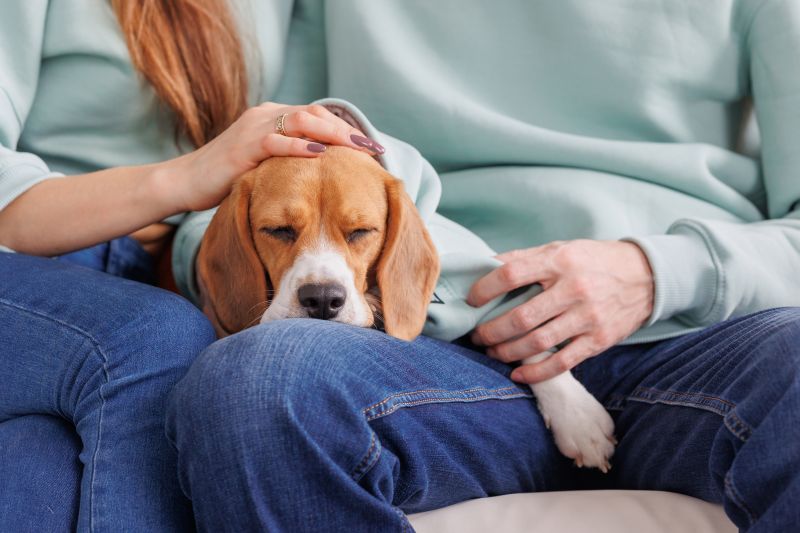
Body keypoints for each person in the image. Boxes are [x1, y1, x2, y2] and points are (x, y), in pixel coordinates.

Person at [4, 0, 800, 532]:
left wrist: (663, 271)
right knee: (255, 380)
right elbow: (257, 181)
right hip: (438, 341)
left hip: (701, 334)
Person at [0, 1, 381, 531]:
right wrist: (188, 177)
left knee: (40, 460)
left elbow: (314, 143)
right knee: (156, 337)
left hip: (150, 268)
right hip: (27, 263)